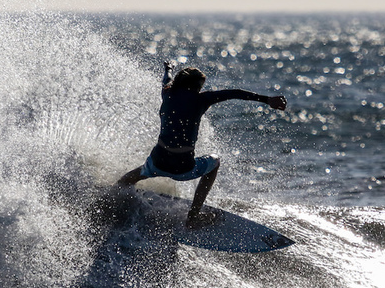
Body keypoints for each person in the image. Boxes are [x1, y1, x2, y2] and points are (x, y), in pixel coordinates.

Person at [117, 61, 287, 228]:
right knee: (215, 162)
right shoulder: (202, 99)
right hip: (184, 169)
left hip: (157, 164)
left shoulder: (167, 92)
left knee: (125, 180)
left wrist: (168, 68)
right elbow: (234, 93)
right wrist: (266, 100)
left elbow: (166, 79)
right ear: (197, 86)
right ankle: (193, 217)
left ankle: (115, 196)